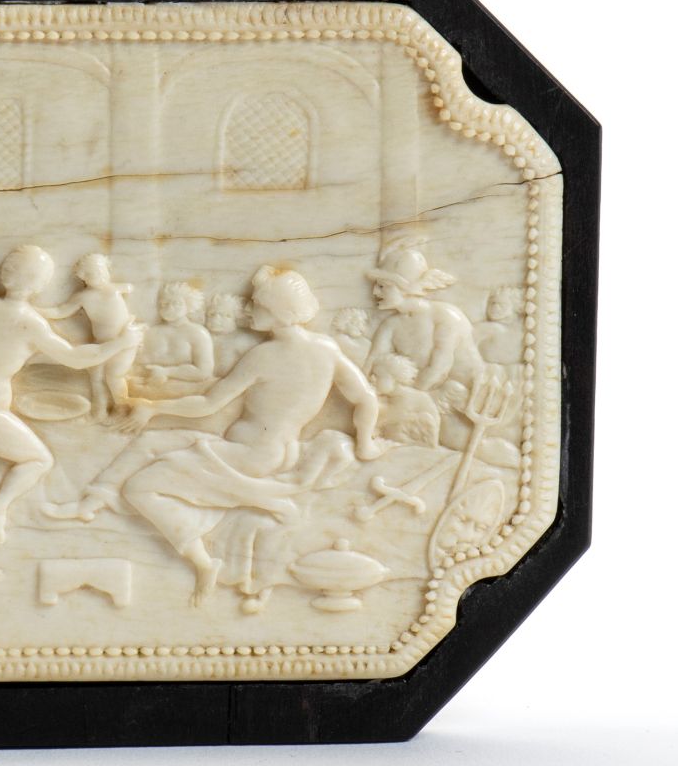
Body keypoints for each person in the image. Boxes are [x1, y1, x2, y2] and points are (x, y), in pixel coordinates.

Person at [118, 267, 382, 605]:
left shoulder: (264, 355)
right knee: (156, 448)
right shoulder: (326, 348)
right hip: (281, 451)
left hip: (248, 455)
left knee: (138, 488)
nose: (248, 309)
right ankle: (252, 500)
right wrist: (365, 443)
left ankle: (214, 550)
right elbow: (366, 399)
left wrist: (153, 407)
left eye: (256, 304)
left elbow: (208, 404)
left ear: (278, 311)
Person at [0, 245, 142, 598]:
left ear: (4, 274)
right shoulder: (28, 322)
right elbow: (76, 358)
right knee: (38, 459)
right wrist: (123, 341)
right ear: (40, 285)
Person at [364, 240, 483, 393]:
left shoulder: (445, 316)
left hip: (462, 393)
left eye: (382, 286)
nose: (375, 292)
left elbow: (439, 368)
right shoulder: (390, 325)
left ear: (405, 289)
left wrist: (412, 397)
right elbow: (371, 361)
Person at [40, 253, 139, 418]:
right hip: (101, 344)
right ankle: (100, 409)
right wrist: (40, 311)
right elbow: (60, 311)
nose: (100, 276)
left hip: (125, 341)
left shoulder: (117, 288)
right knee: (96, 377)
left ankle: (122, 406)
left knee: (114, 375)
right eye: (93, 274)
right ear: (83, 277)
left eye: (102, 271)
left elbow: (131, 290)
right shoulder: (83, 297)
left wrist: (132, 324)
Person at [132, 281, 214, 391]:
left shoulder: (198, 333)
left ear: (188, 305)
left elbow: (204, 371)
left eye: (177, 303)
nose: (170, 308)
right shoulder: (150, 332)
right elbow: (135, 362)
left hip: (185, 389)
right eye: (164, 304)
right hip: (149, 387)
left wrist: (166, 372)